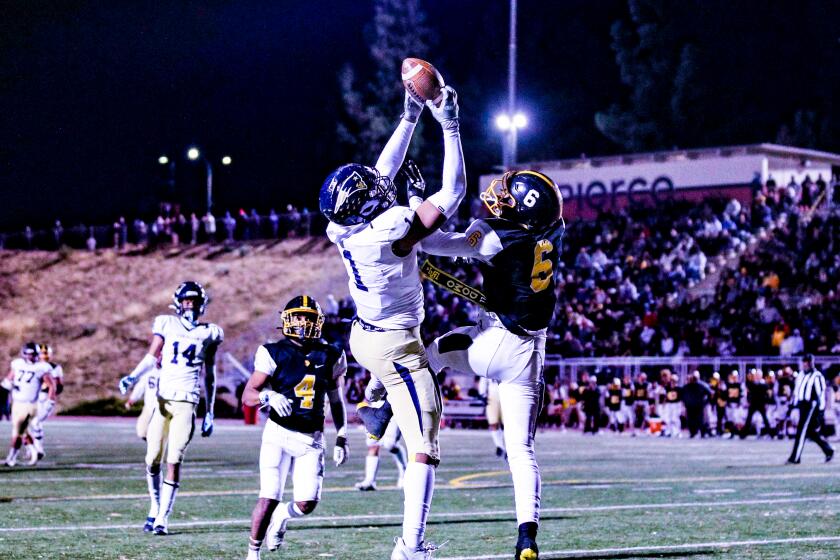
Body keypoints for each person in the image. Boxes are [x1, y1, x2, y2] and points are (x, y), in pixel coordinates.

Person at [319, 87, 464, 560]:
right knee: (425, 445)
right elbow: (454, 193)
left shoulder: (340, 226)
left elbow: (381, 176)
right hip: (395, 346)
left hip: (364, 336)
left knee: (433, 354)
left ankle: (376, 399)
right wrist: (449, 124)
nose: (380, 182)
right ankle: (411, 546)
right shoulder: (393, 226)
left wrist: (409, 115)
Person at [422, 168, 565, 560]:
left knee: (436, 350)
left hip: (496, 342)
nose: (498, 195)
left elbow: (433, 243)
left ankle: (390, 411)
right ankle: (526, 538)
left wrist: (421, 203)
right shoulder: (556, 228)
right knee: (521, 449)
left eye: (508, 195)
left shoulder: (494, 234)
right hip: (532, 353)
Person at [241, 296, 348, 559]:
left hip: (311, 439)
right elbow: (248, 395)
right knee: (269, 496)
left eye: (309, 318)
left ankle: (282, 517)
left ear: (318, 322)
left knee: (306, 504)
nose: (304, 323)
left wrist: (342, 436)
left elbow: (337, 400)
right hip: (278, 433)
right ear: (287, 320)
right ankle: (252, 554)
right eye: (299, 317)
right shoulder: (272, 352)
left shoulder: (332, 354)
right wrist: (268, 396)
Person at [118, 281, 223, 534]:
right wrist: (132, 377)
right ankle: (155, 507)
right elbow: (151, 356)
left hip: (187, 401)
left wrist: (210, 412)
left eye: (195, 301)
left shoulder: (210, 332)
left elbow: (210, 374)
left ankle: (163, 518)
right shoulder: (166, 323)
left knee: (174, 459)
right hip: (162, 400)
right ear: (178, 303)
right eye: (187, 301)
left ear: (202, 304)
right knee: (152, 458)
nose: (191, 306)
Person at [3, 342, 55, 467]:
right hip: (16, 403)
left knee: (19, 431)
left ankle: (12, 458)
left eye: (33, 355)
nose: (30, 357)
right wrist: (6, 387)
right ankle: (34, 450)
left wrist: (50, 401)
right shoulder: (17, 364)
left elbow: (51, 385)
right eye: (28, 354)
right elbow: (9, 379)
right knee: (21, 432)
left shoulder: (41, 367)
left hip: (29, 404)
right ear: (24, 354)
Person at [788, 354, 834, 464]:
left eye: (807, 362)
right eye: (804, 362)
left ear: (811, 362)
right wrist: (793, 406)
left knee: (801, 431)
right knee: (811, 432)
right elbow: (796, 392)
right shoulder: (800, 375)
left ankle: (795, 458)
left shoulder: (817, 376)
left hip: (811, 406)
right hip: (801, 405)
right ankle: (829, 450)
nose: (805, 364)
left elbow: (821, 395)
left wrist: (821, 412)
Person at [26, 343, 64, 458]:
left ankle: (38, 449)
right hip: (34, 398)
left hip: (46, 397)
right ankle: (33, 449)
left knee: (35, 422)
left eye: (46, 353)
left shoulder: (55, 367)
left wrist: (51, 395)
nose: (44, 356)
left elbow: (59, 386)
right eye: (42, 353)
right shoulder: (34, 366)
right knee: (31, 424)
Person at [355, 410, 407, 491]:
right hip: (374, 407)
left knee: (390, 444)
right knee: (373, 444)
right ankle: (370, 481)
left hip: (393, 407)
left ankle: (405, 473)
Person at [123, 358, 160, 440]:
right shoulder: (149, 372)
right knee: (142, 431)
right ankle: (155, 445)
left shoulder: (170, 372)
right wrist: (132, 399)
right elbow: (140, 387)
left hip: (164, 406)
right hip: (149, 405)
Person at [681, 371, 712, 438]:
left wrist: (705, 402)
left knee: (700, 420)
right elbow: (682, 395)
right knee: (691, 421)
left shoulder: (701, 386)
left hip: (699, 406)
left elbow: (710, 393)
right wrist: (685, 403)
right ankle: (693, 433)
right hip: (690, 407)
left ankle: (703, 433)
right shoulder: (686, 387)